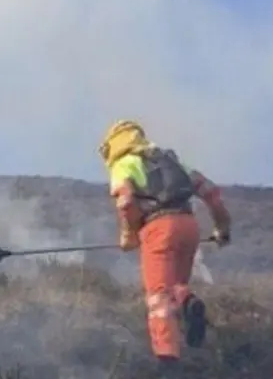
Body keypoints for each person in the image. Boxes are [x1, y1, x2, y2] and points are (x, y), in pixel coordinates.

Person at [99, 120, 231, 366]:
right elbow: (210, 192)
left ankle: (167, 359)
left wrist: (129, 234)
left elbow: (126, 202)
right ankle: (189, 302)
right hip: (188, 225)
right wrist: (222, 228)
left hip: (158, 229)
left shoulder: (123, 163)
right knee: (175, 286)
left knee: (158, 297)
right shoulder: (171, 160)